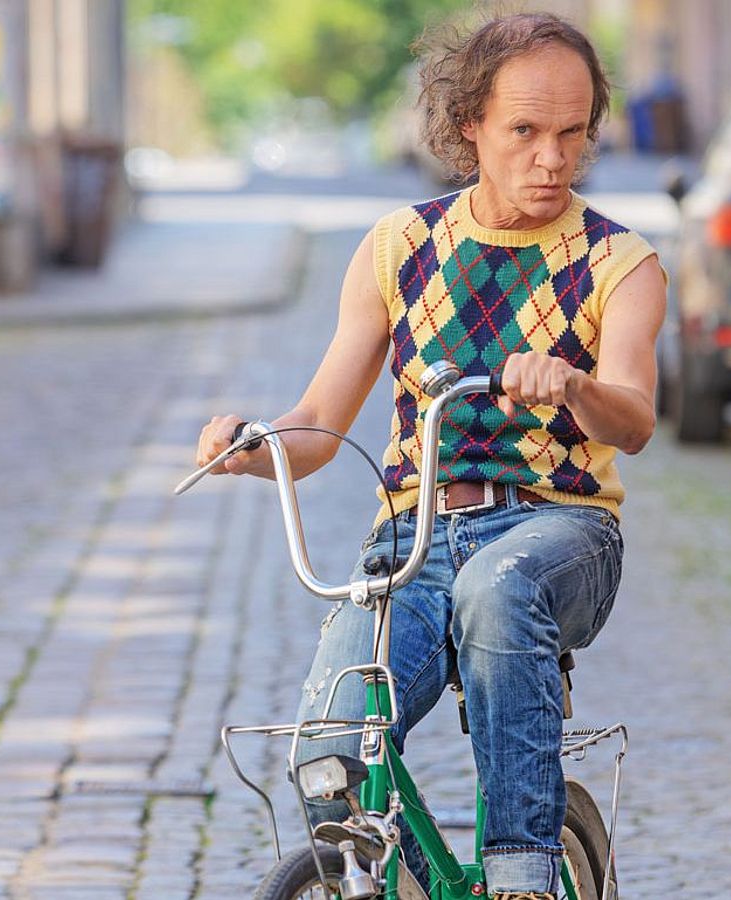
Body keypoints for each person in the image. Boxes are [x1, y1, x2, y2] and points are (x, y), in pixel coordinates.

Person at [194, 12, 666, 899]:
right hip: (412, 545)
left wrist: (570, 384)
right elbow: (318, 423)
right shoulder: (398, 248)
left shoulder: (619, 264)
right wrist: (251, 449)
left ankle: (523, 876)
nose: (552, 158)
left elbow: (634, 420)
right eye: (525, 131)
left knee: (500, 588)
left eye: (572, 134)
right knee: (331, 757)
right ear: (468, 129)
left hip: (561, 535)